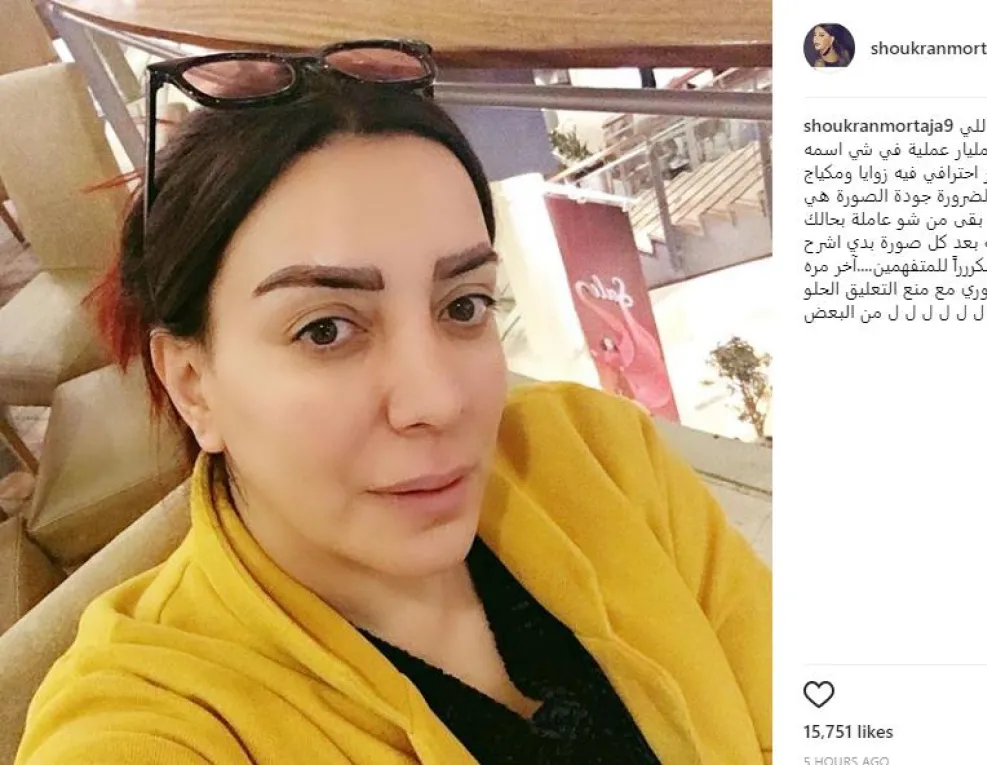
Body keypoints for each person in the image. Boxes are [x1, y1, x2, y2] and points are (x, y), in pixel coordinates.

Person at [16, 41, 771, 764]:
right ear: (192, 384)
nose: (437, 401)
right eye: (325, 329)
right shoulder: (160, 714)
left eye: (464, 305)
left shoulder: (598, 455)